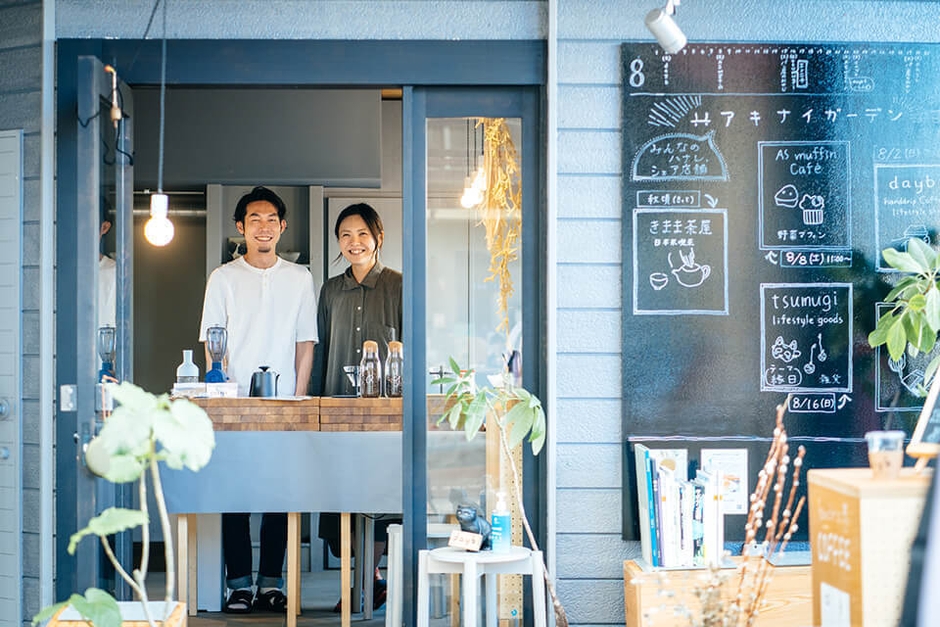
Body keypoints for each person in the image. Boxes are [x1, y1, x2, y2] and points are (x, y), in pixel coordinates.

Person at [198, 186, 318, 614]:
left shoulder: (300, 278)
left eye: (271, 220)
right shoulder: (223, 277)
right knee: (236, 494)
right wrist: (225, 397)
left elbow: (306, 342)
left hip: (286, 404)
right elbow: (215, 344)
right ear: (240, 227)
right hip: (236, 405)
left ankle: (271, 583)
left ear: (282, 227)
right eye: (254, 220)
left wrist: (300, 397)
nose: (263, 227)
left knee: (278, 496)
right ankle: (239, 585)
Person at [313, 202, 402, 612]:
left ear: (378, 238)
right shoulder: (331, 290)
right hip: (338, 410)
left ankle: (365, 584)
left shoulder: (399, 285)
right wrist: (314, 404)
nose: (354, 242)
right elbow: (321, 348)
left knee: (382, 499)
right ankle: (369, 580)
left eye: (362, 234)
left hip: (386, 416)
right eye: (345, 235)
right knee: (341, 496)